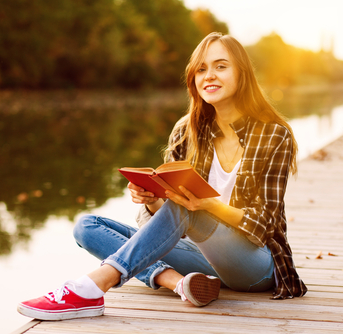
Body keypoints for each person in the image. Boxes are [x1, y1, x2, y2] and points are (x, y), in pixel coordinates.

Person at [17, 32, 307, 321]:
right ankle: (180, 283)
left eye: (221, 66)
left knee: (188, 205)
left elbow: (263, 222)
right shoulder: (187, 130)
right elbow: (164, 223)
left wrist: (207, 206)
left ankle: (91, 286)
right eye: (201, 69)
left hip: (255, 264)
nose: (209, 76)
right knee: (86, 226)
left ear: (242, 74)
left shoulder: (274, 134)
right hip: (201, 257)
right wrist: (153, 199)